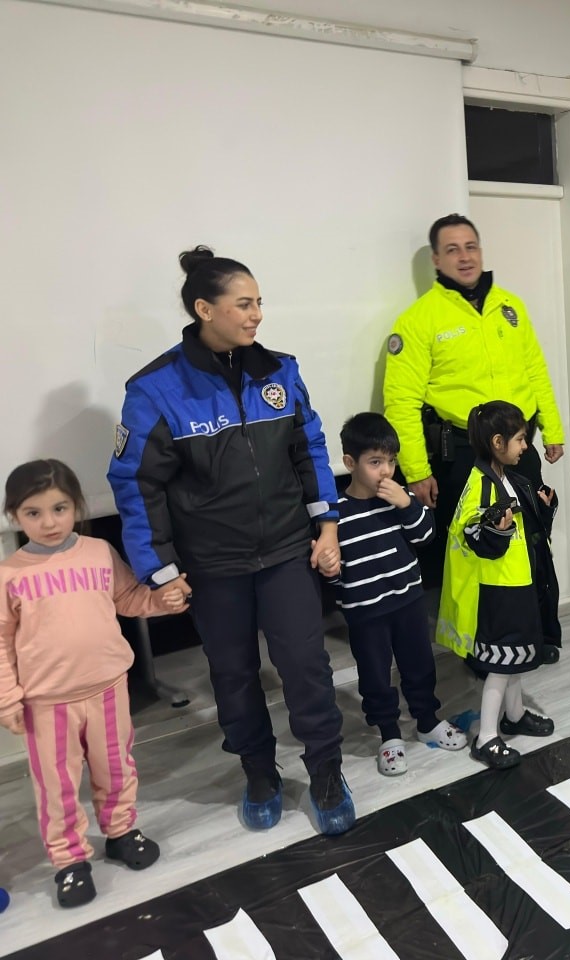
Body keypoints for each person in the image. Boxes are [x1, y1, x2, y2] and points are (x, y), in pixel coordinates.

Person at [108, 246, 355, 836]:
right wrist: (159, 569)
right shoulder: (155, 388)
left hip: (287, 552)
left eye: (259, 302)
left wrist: (326, 524)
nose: (257, 314)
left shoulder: (281, 370)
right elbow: (136, 484)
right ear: (204, 309)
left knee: (306, 667)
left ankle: (326, 771)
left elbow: (310, 449)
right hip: (214, 564)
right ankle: (260, 773)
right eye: (244, 304)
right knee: (234, 674)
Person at [1, 460, 190, 907]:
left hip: (107, 688)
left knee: (116, 767)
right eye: (33, 513)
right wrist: (8, 698)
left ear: (77, 506)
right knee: (56, 785)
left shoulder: (98, 552)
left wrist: (163, 601)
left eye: (59, 508)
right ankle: (69, 860)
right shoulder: (9, 574)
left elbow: (128, 599)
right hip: (47, 703)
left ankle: (121, 831)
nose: (49, 522)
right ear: (14, 516)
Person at [383, 214, 566, 663]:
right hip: (464, 452)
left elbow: (536, 371)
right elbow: (400, 402)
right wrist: (417, 471)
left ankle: (539, 634)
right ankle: (486, 651)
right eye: (452, 249)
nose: (464, 257)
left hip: (519, 446)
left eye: (471, 247)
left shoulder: (510, 307)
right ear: (436, 259)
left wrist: (554, 429)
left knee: (532, 540)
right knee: (479, 551)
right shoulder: (419, 319)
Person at [331, 413, 468, 775]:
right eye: (375, 462)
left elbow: (425, 536)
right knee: (375, 674)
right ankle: (389, 734)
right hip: (365, 612)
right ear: (350, 463)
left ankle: (427, 721)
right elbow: (332, 571)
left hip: (408, 600)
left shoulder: (401, 497)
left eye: (391, 461)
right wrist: (340, 590)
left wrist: (407, 505)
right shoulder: (336, 513)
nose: (386, 470)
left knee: (419, 664)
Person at [436, 401, 556, 769]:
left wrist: (543, 507)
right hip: (498, 589)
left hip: (516, 582)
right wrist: (495, 531)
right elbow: (473, 534)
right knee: (500, 664)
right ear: (497, 442)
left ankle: (514, 714)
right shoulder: (482, 486)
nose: (525, 447)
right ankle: (486, 736)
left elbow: (524, 526)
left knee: (514, 655)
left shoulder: (507, 478)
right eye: (520, 439)